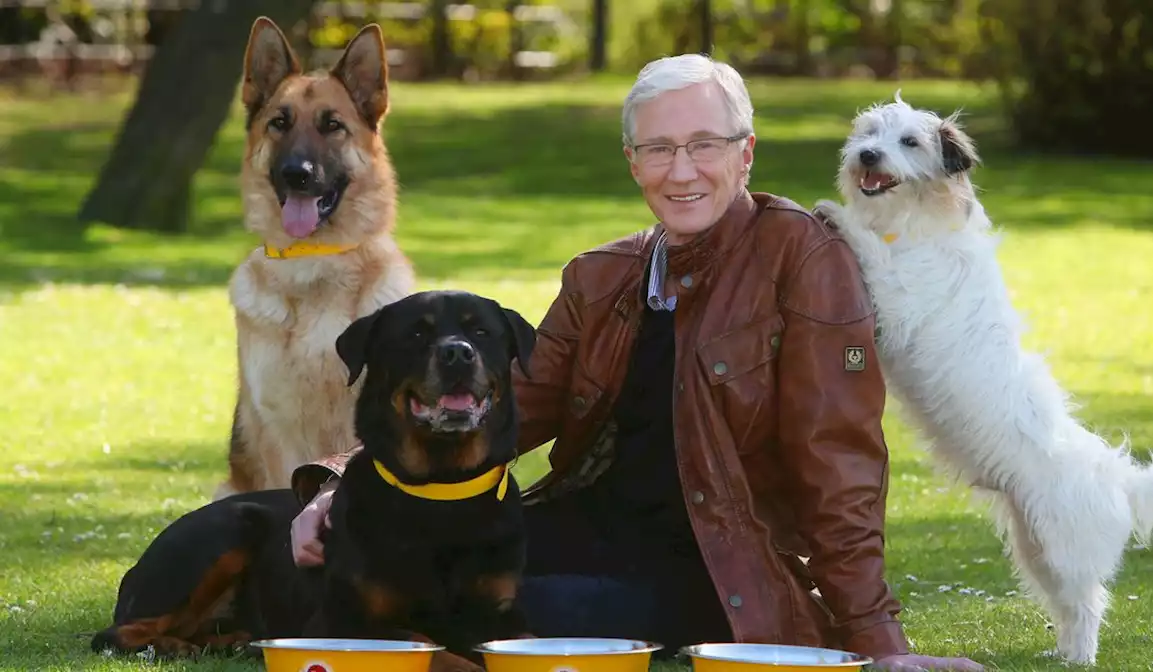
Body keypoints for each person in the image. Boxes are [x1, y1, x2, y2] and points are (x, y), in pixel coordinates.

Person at [286, 54, 984, 672]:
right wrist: (339, 486)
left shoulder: (801, 259)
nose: (681, 171)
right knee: (363, 554)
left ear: (745, 155)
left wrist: (877, 638)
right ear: (633, 162)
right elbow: (508, 399)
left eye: (704, 145)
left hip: (715, 567)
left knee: (495, 612)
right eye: (658, 148)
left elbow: (839, 463)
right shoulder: (602, 274)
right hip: (584, 526)